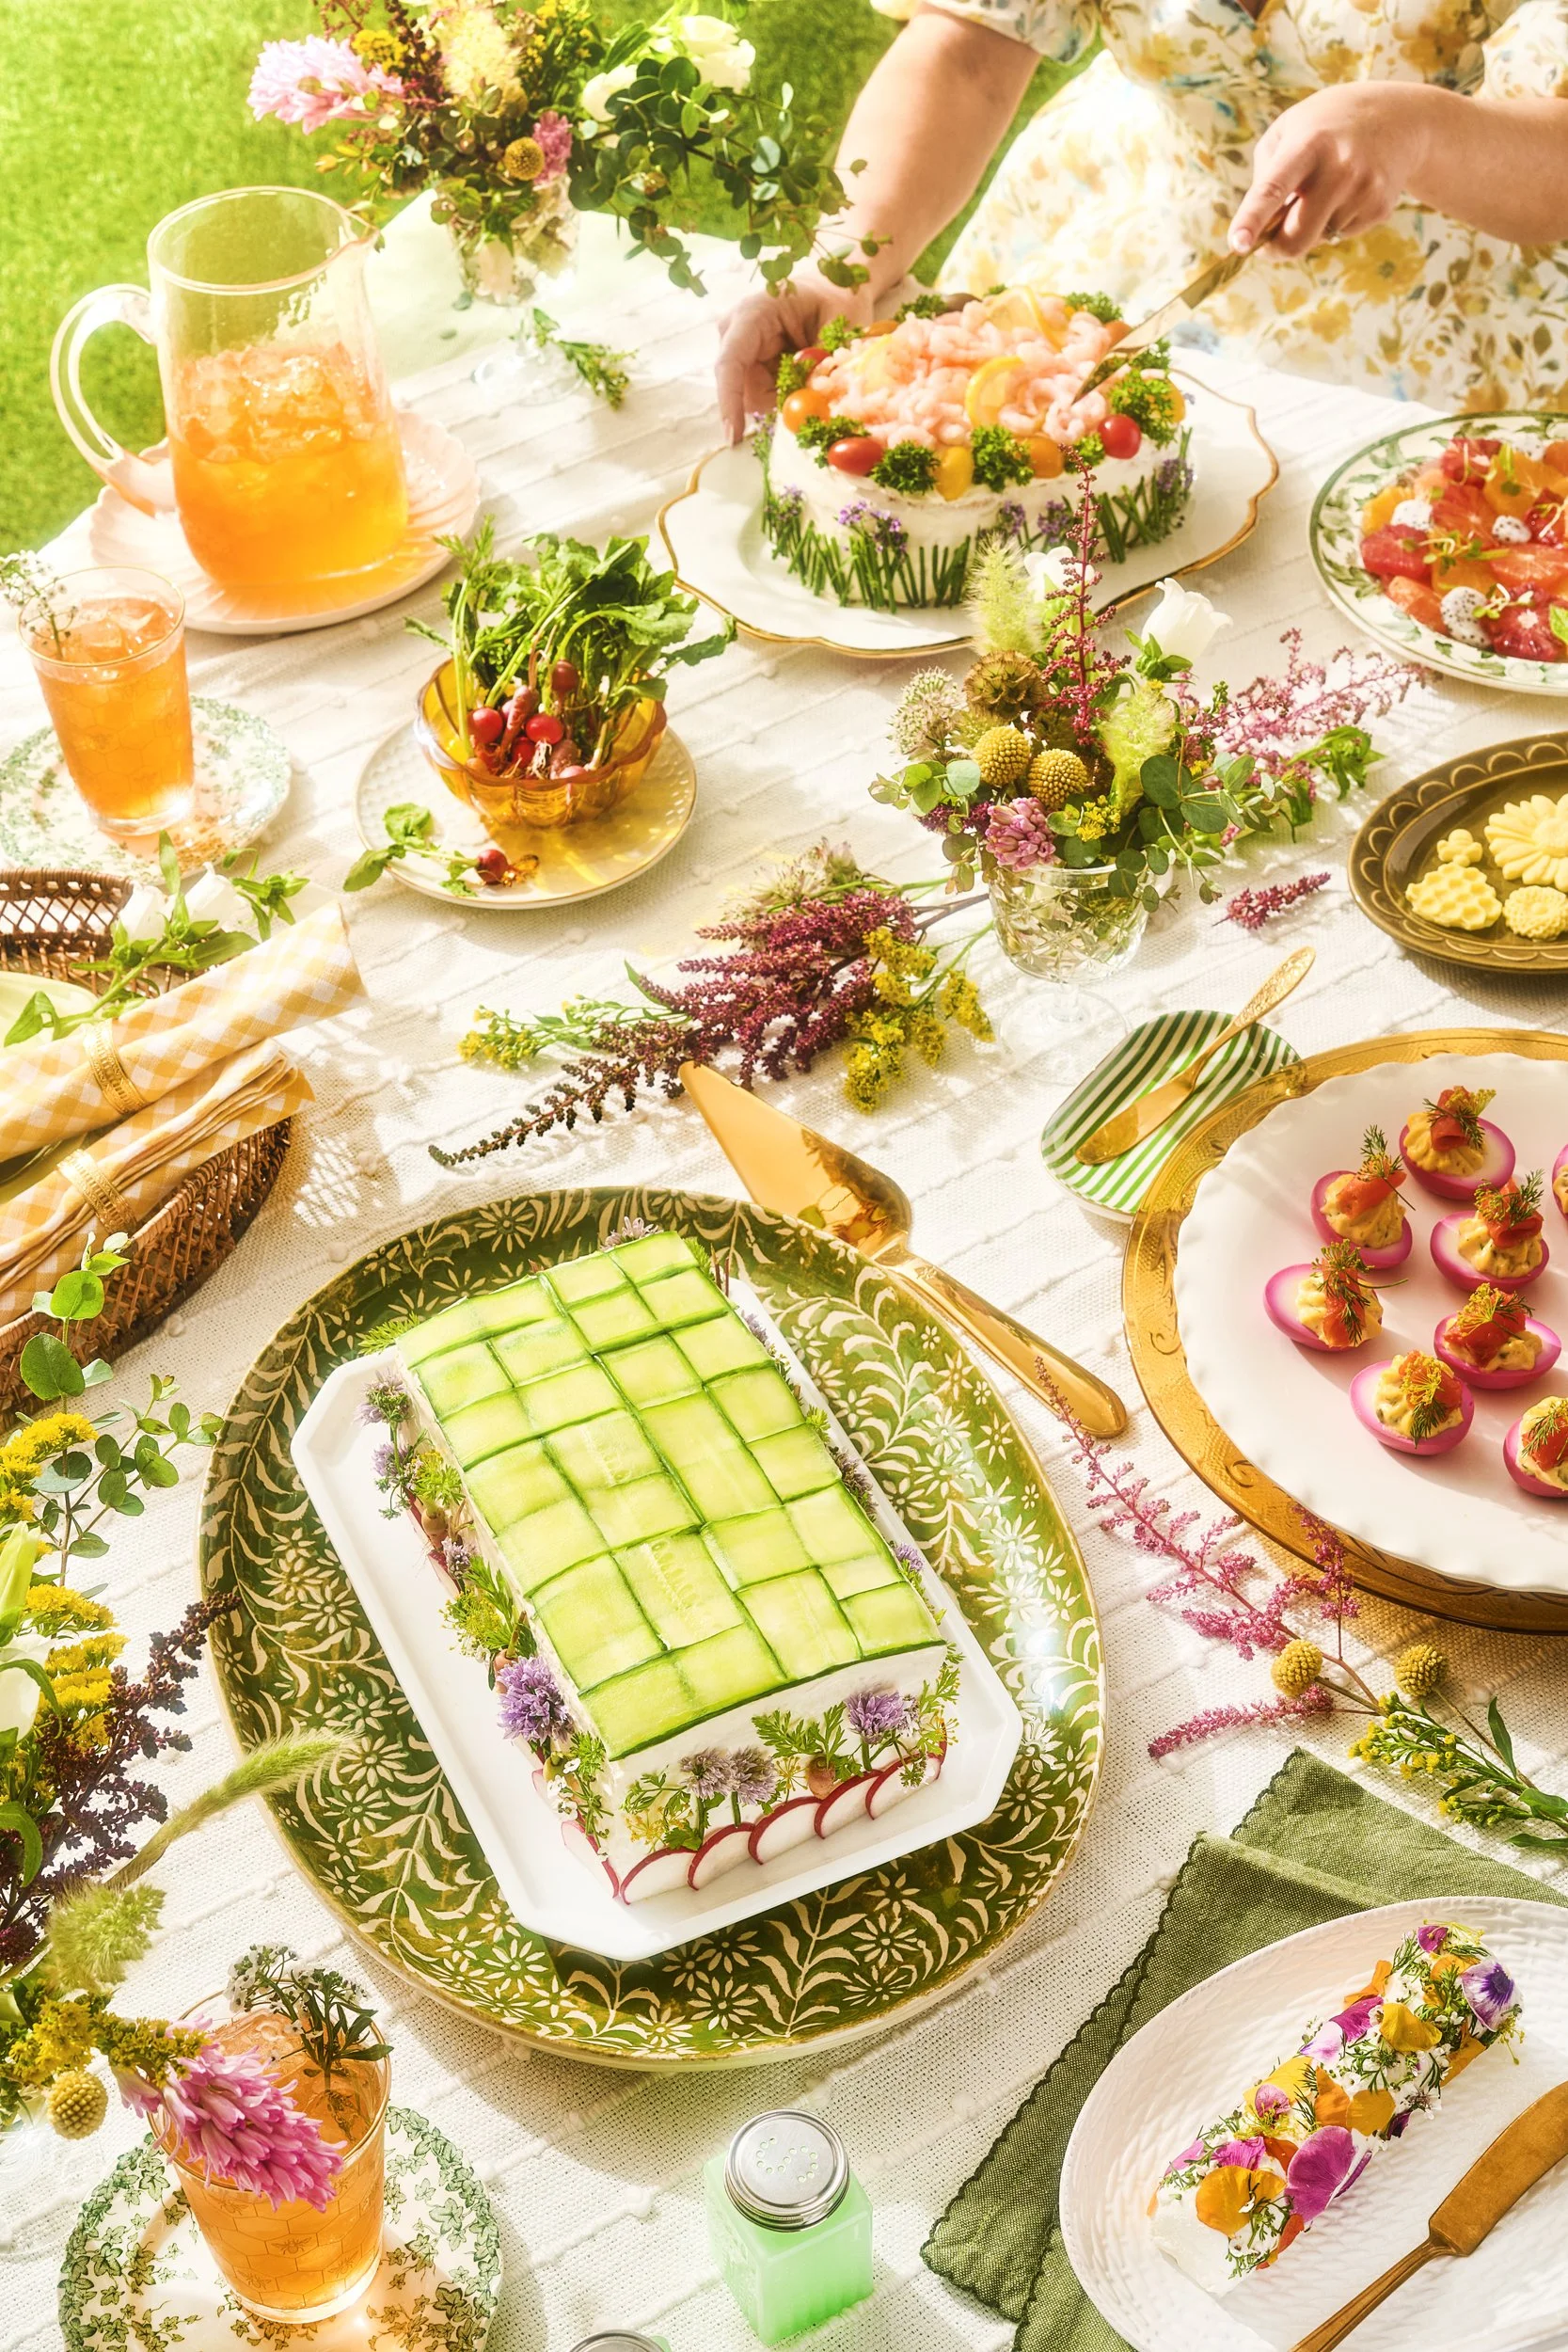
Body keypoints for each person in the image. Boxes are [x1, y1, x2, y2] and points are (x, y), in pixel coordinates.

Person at [716, 0, 1568, 437]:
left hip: (1467, 287)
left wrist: (1418, 130)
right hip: (1141, 240)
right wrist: (841, 262)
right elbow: (969, 54)